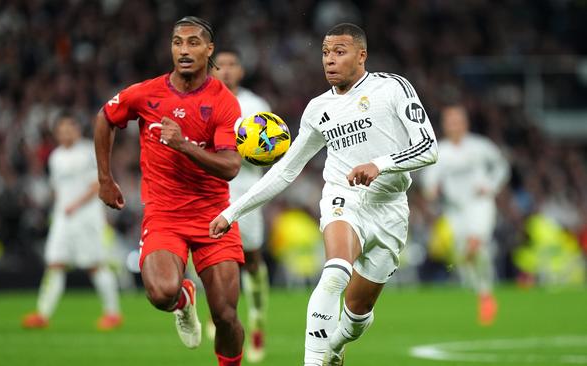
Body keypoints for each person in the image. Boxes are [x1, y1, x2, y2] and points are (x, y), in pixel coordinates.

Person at [210, 23, 438, 366]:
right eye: (325, 53)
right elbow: (286, 169)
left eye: (339, 52)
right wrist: (232, 212)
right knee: (334, 272)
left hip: (391, 208)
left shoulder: (392, 88)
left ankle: (336, 347)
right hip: (344, 196)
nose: (329, 60)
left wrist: (380, 164)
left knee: (357, 316)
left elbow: (429, 148)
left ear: (361, 56)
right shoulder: (318, 109)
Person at [94, 16, 245, 366]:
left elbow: (231, 167)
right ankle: (182, 300)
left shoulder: (223, 102)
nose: (184, 50)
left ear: (210, 50)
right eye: (178, 42)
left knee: (225, 315)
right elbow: (105, 118)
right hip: (164, 214)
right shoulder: (146, 93)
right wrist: (105, 178)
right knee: (162, 293)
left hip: (213, 217)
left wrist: (183, 145)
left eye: (193, 43)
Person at [22, 114, 122, 330]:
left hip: (86, 217)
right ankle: (42, 314)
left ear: (78, 129)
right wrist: (60, 208)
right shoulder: (55, 156)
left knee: (95, 266)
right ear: (56, 132)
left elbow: (99, 183)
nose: (66, 132)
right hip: (63, 218)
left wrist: (75, 205)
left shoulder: (89, 151)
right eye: (62, 128)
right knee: (55, 264)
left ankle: (113, 314)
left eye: (70, 127)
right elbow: (57, 189)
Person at [422, 104, 510, 326]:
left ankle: (486, 295)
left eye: (457, 121)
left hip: (479, 204)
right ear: (445, 125)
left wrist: (490, 186)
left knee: (474, 245)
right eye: (450, 122)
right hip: (455, 210)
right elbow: (429, 178)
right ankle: (484, 294)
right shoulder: (440, 151)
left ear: (465, 123)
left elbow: (501, 167)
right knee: (465, 256)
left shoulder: (480, 147)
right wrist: (431, 189)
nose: (454, 125)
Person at [210, 48, 271, 363]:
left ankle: (258, 321)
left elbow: (273, 148)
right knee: (211, 257)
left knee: (251, 257)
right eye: (221, 65)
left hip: (247, 190)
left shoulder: (255, 106)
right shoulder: (203, 100)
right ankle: (219, 312)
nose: (227, 70)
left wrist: (250, 149)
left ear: (242, 71)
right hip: (211, 191)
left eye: (233, 64)